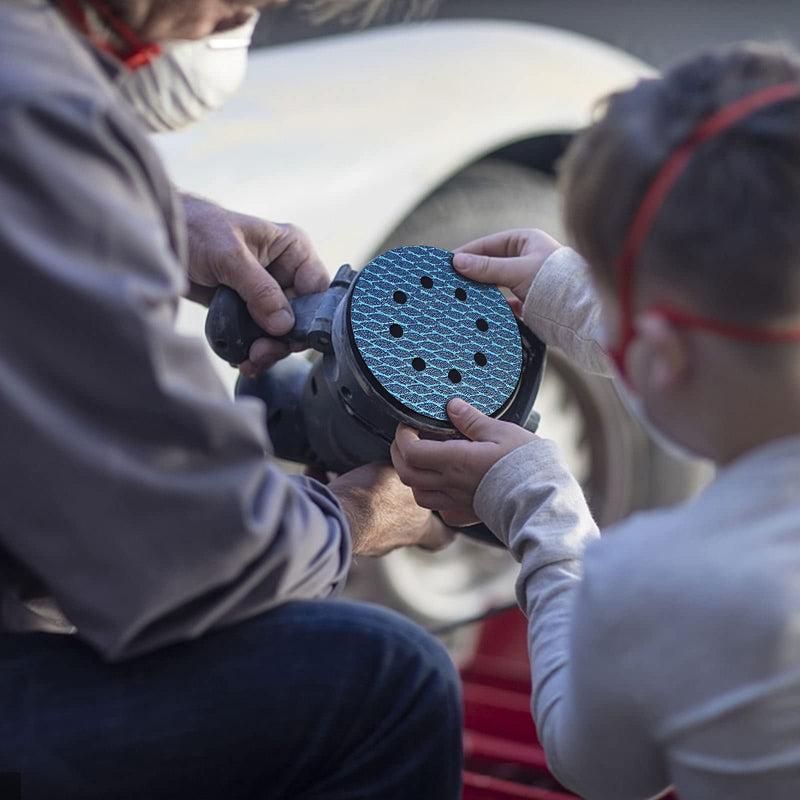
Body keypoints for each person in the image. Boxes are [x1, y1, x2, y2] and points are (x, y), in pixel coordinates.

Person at [0, 1, 463, 798]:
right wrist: (353, 518)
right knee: (388, 678)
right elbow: (182, 558)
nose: (241, 17)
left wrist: (144, 214)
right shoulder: (40, 114)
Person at [392, 42, 800, 800]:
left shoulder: (664, 583)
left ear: (657, 356)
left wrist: (541, 508)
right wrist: (585, 302)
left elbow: (598, 769)